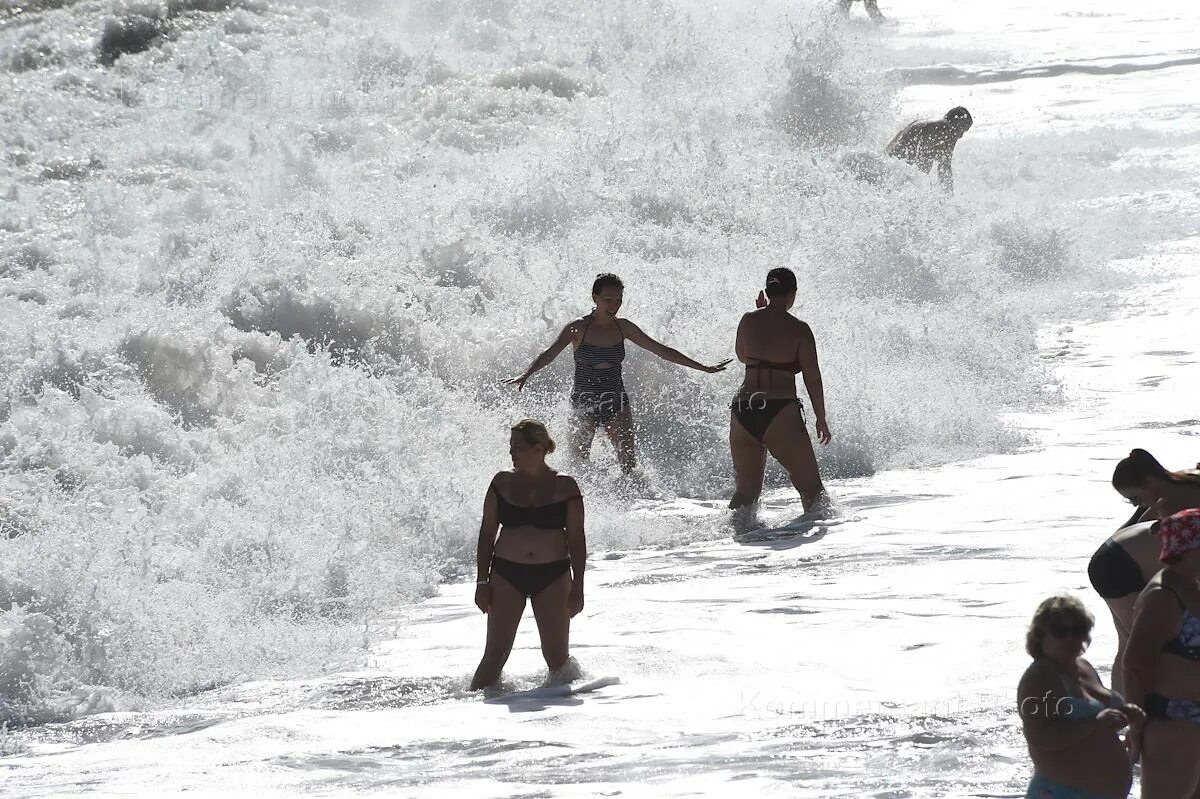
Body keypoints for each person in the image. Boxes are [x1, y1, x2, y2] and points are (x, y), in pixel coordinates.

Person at [505, 274, 731, 474]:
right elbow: (549, 353)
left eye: (618, 300)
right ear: (595, 297)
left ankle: (631, 509)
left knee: (628, 466)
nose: (614, 305)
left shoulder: (624, 327)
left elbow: (662, 351)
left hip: (616, 402)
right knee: (580, 466)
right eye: (608, 299)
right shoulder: (578, 328)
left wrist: (703, 367)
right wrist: (526, 374)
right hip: (584, 403)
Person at [470, 420, 586, 690]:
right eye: (511, 447)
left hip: (553, 575)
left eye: (518, 448)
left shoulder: (565, 486)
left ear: (539, 449)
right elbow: (487, 534)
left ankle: (570, 716)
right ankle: (468, 711)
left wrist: (578, 585)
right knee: (494, 658)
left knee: (557, 661)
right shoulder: (502, 482)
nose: (512, 453)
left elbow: (577, 539)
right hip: (506, 574)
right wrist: (481, 582)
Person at [1090, 450, 1200, 691]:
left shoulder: (1173, 493)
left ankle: (1125, 715)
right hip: (1117, 565)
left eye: (1136, 499)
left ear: (1149, 483)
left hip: (1114, 559)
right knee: (1146, 648)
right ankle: (1140, 715)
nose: (1138, 506)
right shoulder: (1172, 497)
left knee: (1129, 644)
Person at [1017, 595, 1143, 799]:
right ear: (1040, 635)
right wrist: (1095, 723)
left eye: (1078, 630)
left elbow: (1099, 728)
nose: (1070, 638)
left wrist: (1127, 717)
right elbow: (1040, 738)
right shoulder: (1039, 678)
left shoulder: (1084, 667)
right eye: (1060, 631)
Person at [729, 268, 831, 513]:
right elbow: (812, 377)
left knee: (745, 496)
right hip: (779, 411)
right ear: (792, 294)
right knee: (813, 493)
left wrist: (760, 313)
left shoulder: (748, 320)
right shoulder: (799, 329)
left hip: (744, 410)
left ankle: (728, 542)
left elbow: (743, 356)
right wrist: (820, 418)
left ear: (767, 291)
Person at [1123, 508, 1200, 798]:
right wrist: (1137, 726)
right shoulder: (1162, 597)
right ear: (1190, 550)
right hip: (1173, 722)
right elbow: (1133, 665)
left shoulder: (1192, 585)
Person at [885, 106, 973, 191]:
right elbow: (944, 169)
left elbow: (944, 168)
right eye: (962, 130)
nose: (961, 136)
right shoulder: (945, 129)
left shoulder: (938, 126)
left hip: (888, 160)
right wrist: (949, 197)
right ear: (955, 122)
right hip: (895, 164)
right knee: (926, 164)